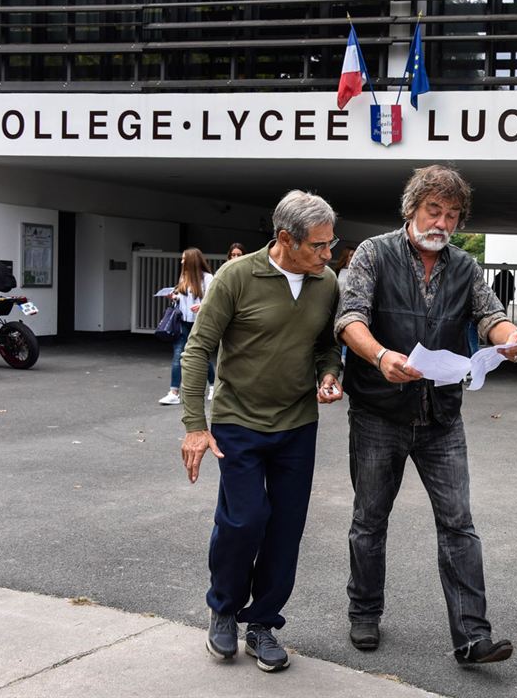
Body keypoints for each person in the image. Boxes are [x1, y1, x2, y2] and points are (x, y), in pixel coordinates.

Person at [335, 164, 517, 665]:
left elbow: (489, 314)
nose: (442, 222)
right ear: (412, 209)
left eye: (452, 214)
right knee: (369, 520)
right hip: (379, 411)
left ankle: (471, 637)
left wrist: (509, 337)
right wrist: (381, 356)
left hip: (442, 416)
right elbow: (349, 318)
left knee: (459, 524)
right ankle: (364, 612)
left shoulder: (464, 267)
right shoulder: (373, 255)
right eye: (433, 210)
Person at [178, 190, 343, 673]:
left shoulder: (326, 282)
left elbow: (324, 348)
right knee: (245, 519)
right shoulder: (237, 276)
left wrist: (330, 374)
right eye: (318, 246)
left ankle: (264, 622)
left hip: (296, 426)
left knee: (286, 528)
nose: (327, 255)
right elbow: (197, 350)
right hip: (238, 422)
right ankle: (224, 608)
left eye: (331, 244)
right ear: (286, 239)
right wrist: (194, 426)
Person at [158, 248, 215, 406]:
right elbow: (182, 297)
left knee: (201, 356)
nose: (182, 261)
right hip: (182, 321)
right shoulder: (184, 276)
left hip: (199, 322)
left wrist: (201, 305)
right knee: (178, 355)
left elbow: (213, 298)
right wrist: (173, 296)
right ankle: (174, 392)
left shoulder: (207, 278)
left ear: (192, 260)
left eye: (184, 259)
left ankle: (213, 386)